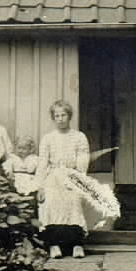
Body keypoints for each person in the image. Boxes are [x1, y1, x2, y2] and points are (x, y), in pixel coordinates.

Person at [35, 100, 90, 259]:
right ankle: (54, 244)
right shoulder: (48, 138)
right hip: (53, 177)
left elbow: (83, 160)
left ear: (69, 116)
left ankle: (77, 244)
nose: (60, 119)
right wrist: (40, 186)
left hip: (72, 176)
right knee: (51, 203)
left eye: (63, 115)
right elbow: (43, 163)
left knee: (73, 203)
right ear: (53, 118)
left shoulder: (79, 137)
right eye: (57, 116)